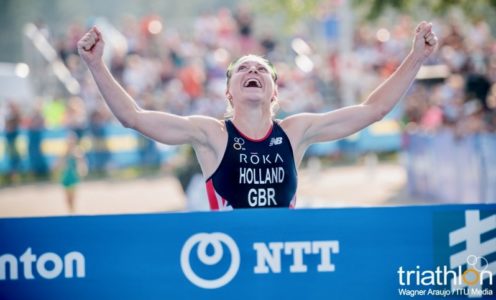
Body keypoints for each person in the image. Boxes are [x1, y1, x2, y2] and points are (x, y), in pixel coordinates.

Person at [77, 21, 438, 210]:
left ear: (274, 91)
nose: (253, 70)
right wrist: (95, 64)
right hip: (231, 261)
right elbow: (133, 117)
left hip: (282, 257)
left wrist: (417, 57)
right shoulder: (211, 135)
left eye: (262, 69)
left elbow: (372, 110)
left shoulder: (296, 131)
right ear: (229, 92)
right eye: (243, 69)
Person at [55, 132, 88, 214]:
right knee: (67, 197)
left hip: (73, 176)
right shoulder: (63, 152)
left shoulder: (78, 151)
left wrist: (82, 170)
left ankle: (72, 211)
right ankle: (70, 211)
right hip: (65, 176)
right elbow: (57, 165)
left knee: (72, 196)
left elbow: (82, 162)